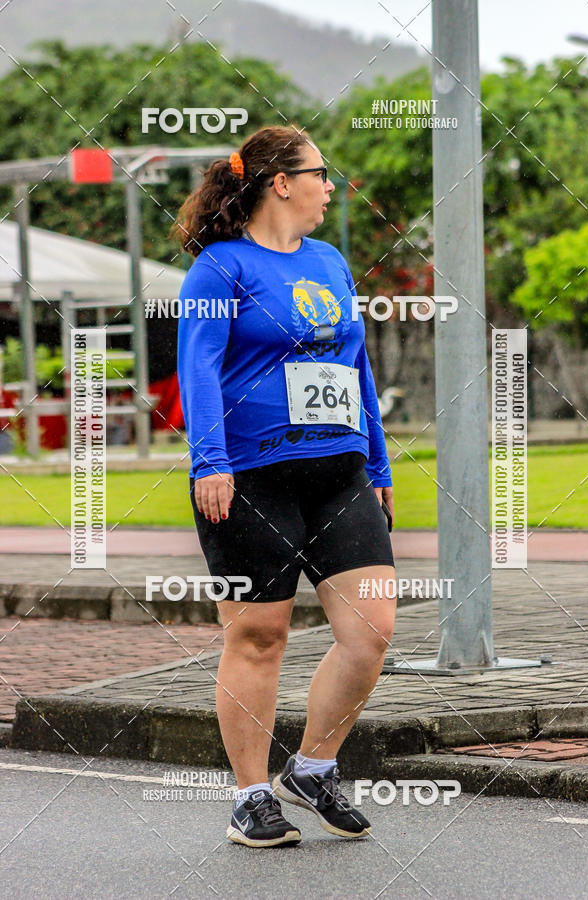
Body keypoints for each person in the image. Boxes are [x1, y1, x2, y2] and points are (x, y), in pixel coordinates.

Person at [173, 125, 397, 848]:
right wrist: (210, 460)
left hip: (340, 472)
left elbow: (357, 369)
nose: (331, 186)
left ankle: (311, 769)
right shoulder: (220, 268)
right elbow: (198, 367)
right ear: (281, 182)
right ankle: (248, 796)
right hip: (250, 477)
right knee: (259, 635)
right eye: (320, 173)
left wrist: (381, 465)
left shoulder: (330, 260)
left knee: (371, 631)